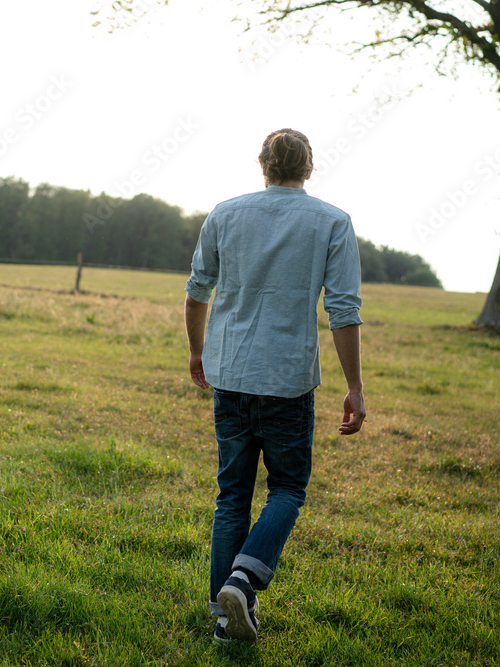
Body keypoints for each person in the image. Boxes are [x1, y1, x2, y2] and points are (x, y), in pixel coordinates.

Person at [183, 128, 366, 642]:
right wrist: (354, 385)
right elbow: (343, 310)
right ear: (309, 167)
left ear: (263, 165)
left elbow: (197, 291)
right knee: (287, 488)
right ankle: (243, 580)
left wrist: (197, 351)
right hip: (288, 380)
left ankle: (226, 621)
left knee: (232, 495)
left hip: (231, 373)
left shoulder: (224, 214)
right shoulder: (332, 221)